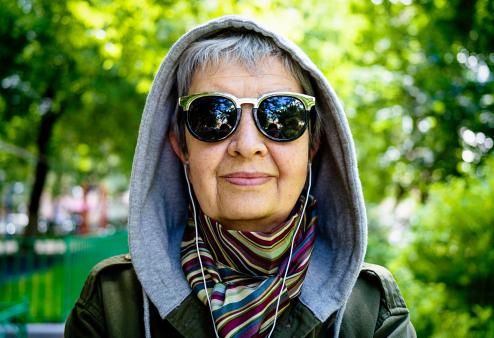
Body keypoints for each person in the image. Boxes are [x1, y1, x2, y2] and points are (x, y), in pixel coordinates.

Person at [65, 16, 416, 338]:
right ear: (181, 147)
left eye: (281, 115)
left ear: (313, 145)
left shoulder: (371, 310)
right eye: (213, 115)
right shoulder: (113, 303)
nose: (247, 146)